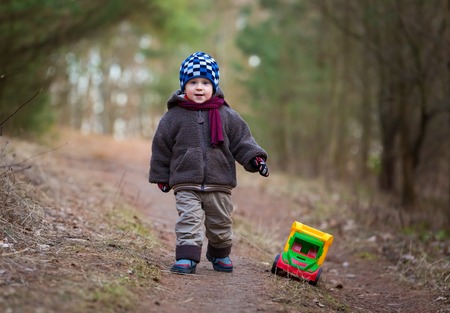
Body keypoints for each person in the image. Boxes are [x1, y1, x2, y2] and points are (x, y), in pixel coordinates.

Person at [149, 51, 269, 274]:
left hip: (219, 182)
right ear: (184, 86)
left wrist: (256, 159)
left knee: (220, 224)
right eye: (193, 82)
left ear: (214, 85)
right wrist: (161, 176)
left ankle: (219, 254)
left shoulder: (228, 116)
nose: (199, 87)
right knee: (189, 219)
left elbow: (242, 142)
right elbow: (161, 147)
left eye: (205, 82)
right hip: (186, 182)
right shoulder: (173, 117)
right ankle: (187, 257)